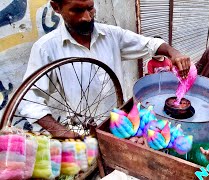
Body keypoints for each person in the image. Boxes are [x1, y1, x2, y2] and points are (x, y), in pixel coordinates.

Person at [18, 0, 191, 138]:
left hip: (119, 120)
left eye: (90, 8)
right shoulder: (46, 48)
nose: (87, 17)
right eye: (77, 10)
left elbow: (149, 44)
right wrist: (60, 131)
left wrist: (172, 52)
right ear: (57, 7)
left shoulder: (112, 35)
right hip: (80, 129)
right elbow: (29, 100)